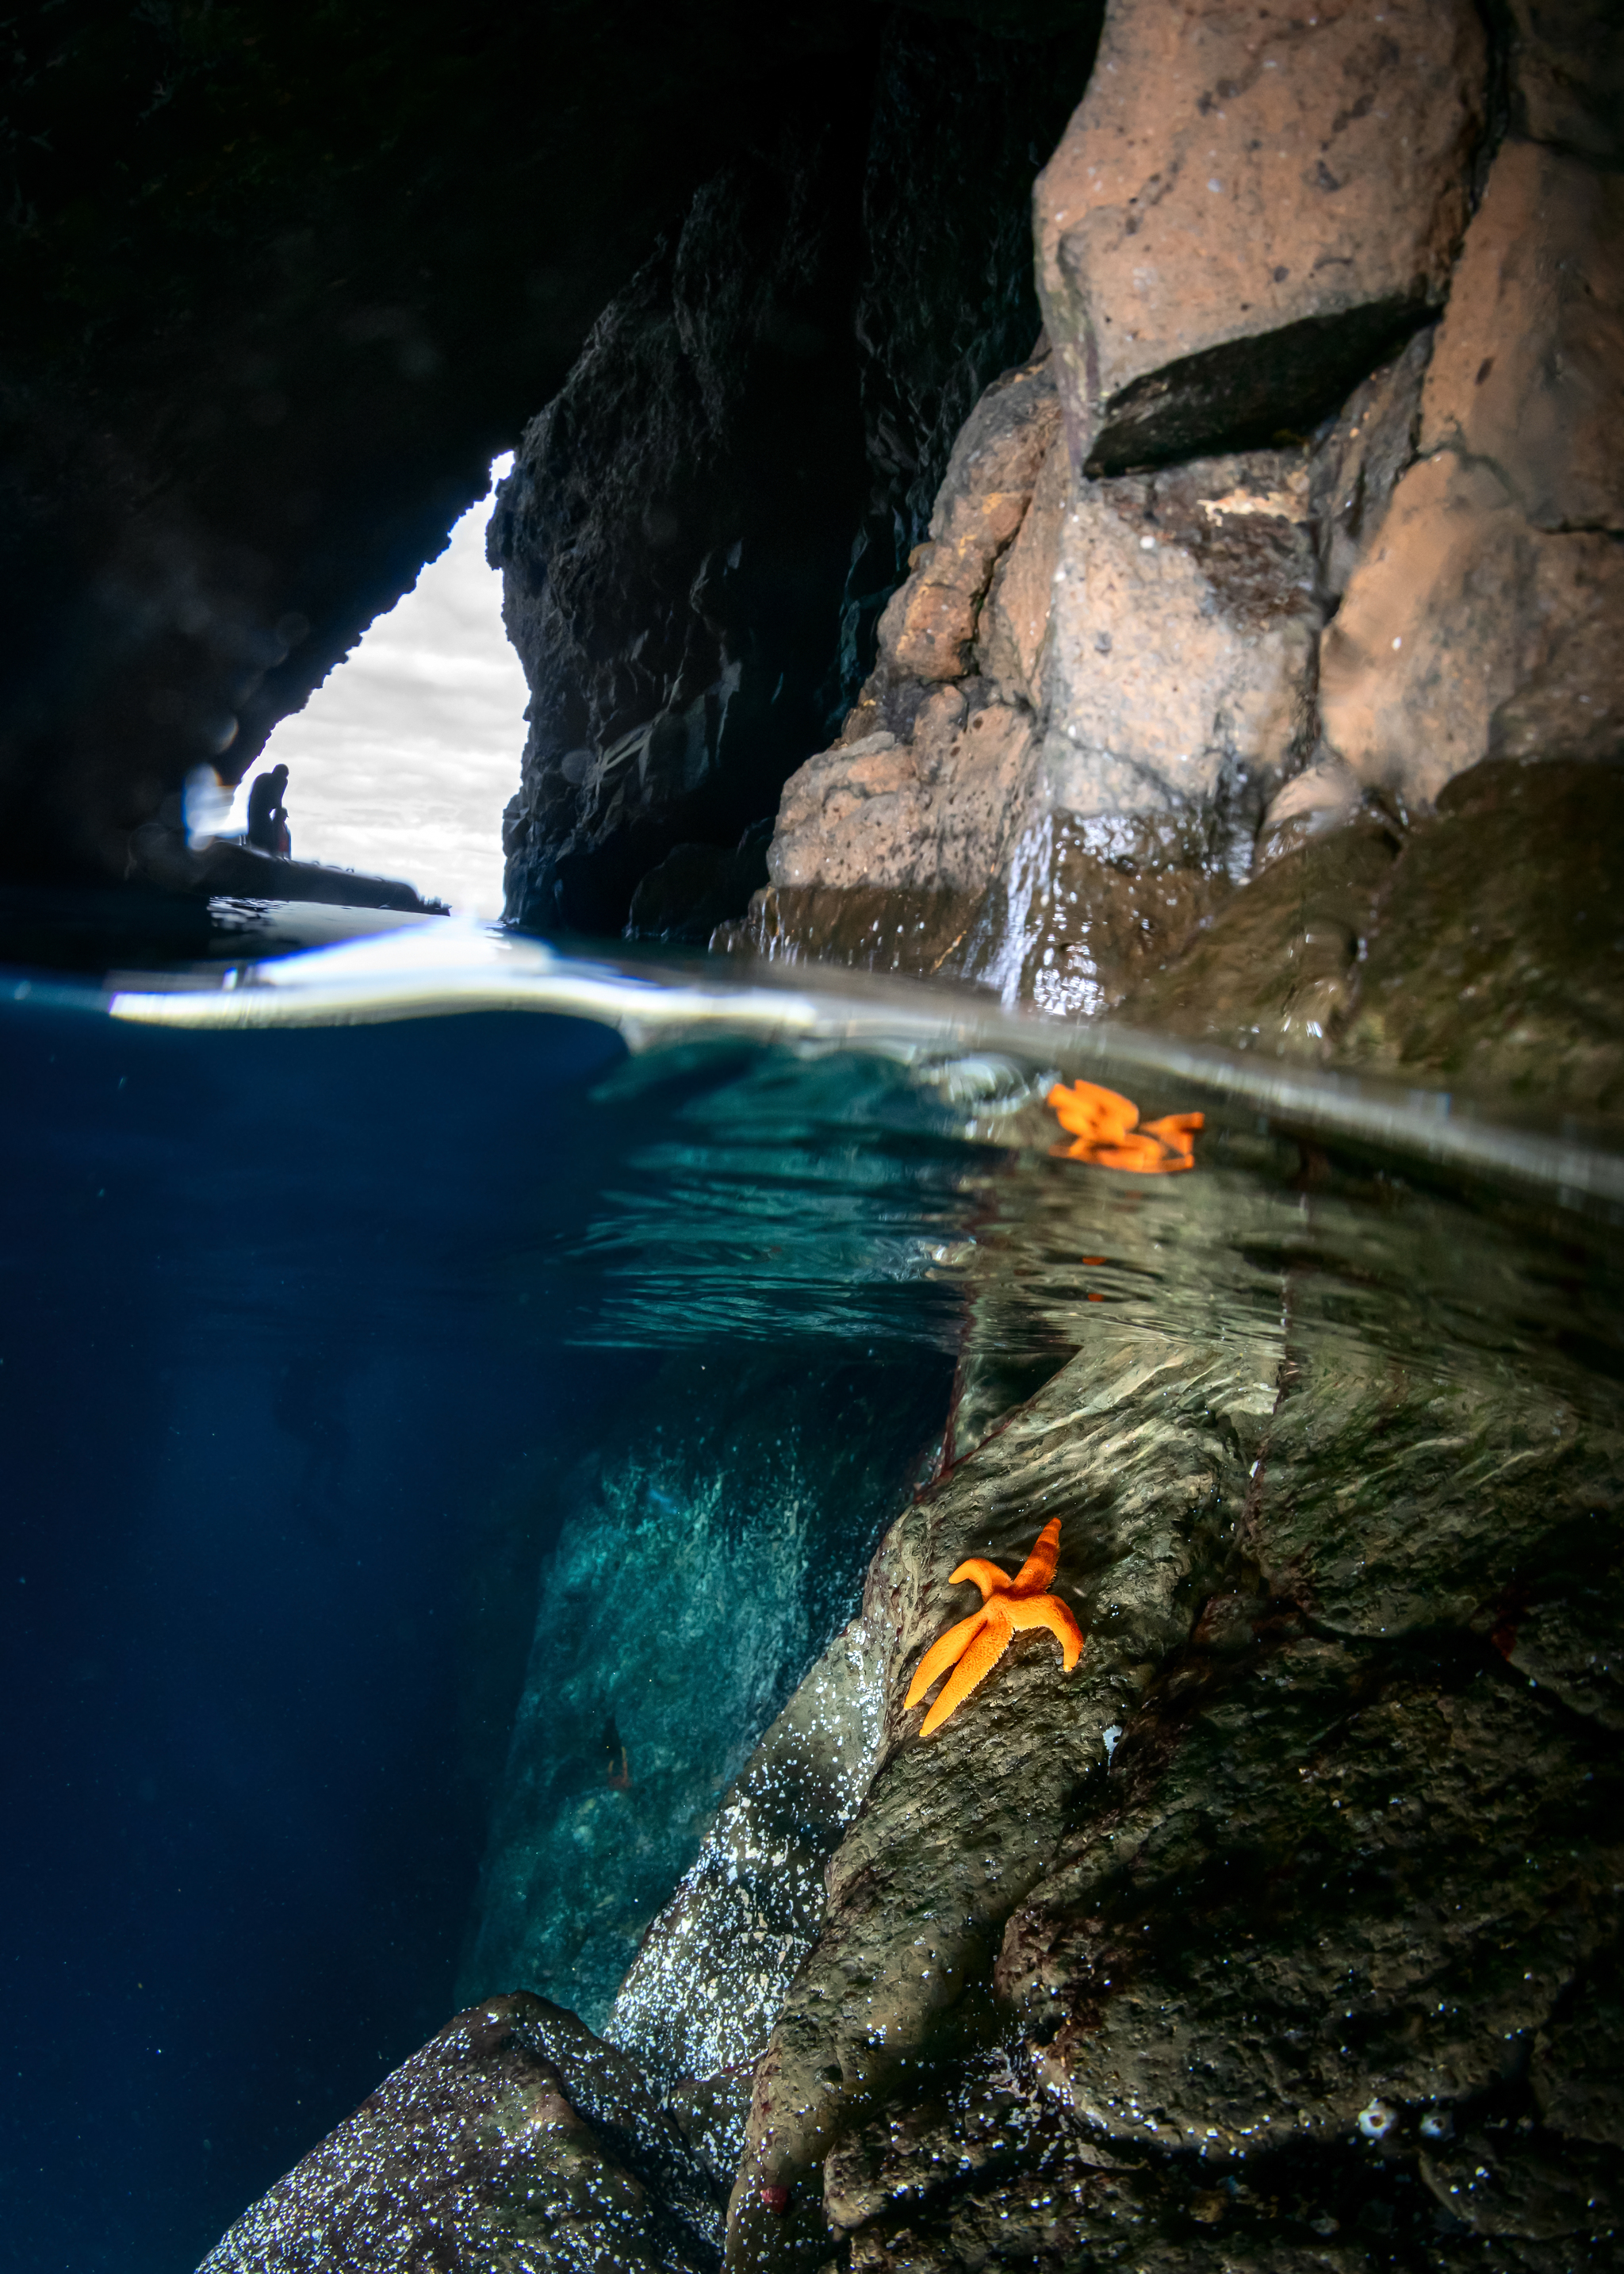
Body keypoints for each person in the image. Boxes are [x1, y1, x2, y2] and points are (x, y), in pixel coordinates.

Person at [246, 762, 292, 857]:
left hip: (255, 812)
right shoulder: (279, 781)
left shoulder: (262, 778)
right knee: (267, 840)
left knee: (260, 836)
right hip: (259, 812)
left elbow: (276, 801)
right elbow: (277, 800)